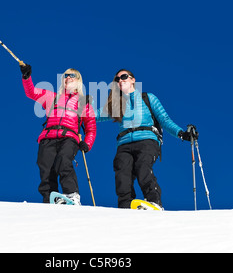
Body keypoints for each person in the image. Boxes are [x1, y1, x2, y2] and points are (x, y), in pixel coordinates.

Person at [96, 69, 197, 210]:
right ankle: (125, 206)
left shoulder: (147, 98)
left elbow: (164, 119)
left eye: (123, 77)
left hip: (146, 140)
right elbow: (96, 114)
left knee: (143, 166)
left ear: (132, 80)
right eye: (116, 79)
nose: (120, 80)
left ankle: (154, 202)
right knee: (122, 174)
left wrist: (181, 133)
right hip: (124, 144)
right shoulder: (117, 105)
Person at [20, 63, 96, 205]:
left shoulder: (83, 102)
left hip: (69, 137)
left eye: (71, 76)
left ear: (78, 80)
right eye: (65, 76)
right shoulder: (52, 97)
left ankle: (72, 194)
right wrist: (26, 77)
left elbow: (91, 127)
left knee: (64, 160)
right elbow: (31, 92)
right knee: (45, 167)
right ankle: (49, 199)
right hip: (48, 136)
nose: (67, 78)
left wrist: (87, 143)